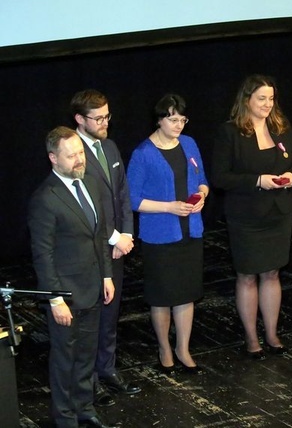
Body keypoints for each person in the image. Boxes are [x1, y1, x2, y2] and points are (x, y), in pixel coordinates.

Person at [28, 126, 117, 428]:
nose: (80, 159)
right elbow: (43, 255)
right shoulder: (45, 198)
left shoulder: (90, 183)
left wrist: (106, 276)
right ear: (53, 158)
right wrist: (54, 299)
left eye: (80, 152)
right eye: (72, 155)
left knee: (86, 355)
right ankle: (64, 417)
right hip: (65, 295)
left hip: (93, 288)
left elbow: (99, 236)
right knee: (65, 359)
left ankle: (84, 408)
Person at [211, 75, 292, 359]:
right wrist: (257, 180)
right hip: (246, 217)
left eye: (271, 98)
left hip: (278, 212)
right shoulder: (230, 132)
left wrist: (291, 176)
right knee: (248, 276)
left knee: (272, 273)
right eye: (261, 98)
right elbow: (220, 177)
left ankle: (272, 334)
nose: (267, 104)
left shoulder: (281, 127)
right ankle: (251, 338)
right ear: (246, 99)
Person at [126, 94, 209, 374]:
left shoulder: (189, 144)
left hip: (190, 231)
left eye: (182, 120)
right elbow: (132, 200)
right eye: (173, 120)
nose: (179, 125)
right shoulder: (143, 153)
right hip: (160, 236)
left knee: (186, 293)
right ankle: (164, 349)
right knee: (162, 296)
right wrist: (169, 207)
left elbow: (202, 180)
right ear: (159, 119)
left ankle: (183, 349)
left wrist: (202, 195)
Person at [71, 89, 141, 408]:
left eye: (107, 116)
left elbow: (123, 195)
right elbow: (84, 208)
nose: (104, 123)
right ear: (79, 120)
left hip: (116, 247)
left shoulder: (109, 146)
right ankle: (89, 382)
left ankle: (107, 369)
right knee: (90, 319)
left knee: (110, 315)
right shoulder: (72, 154)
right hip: (90, 250)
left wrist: (126, 235)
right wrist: (114, 238)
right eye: (98, 118)